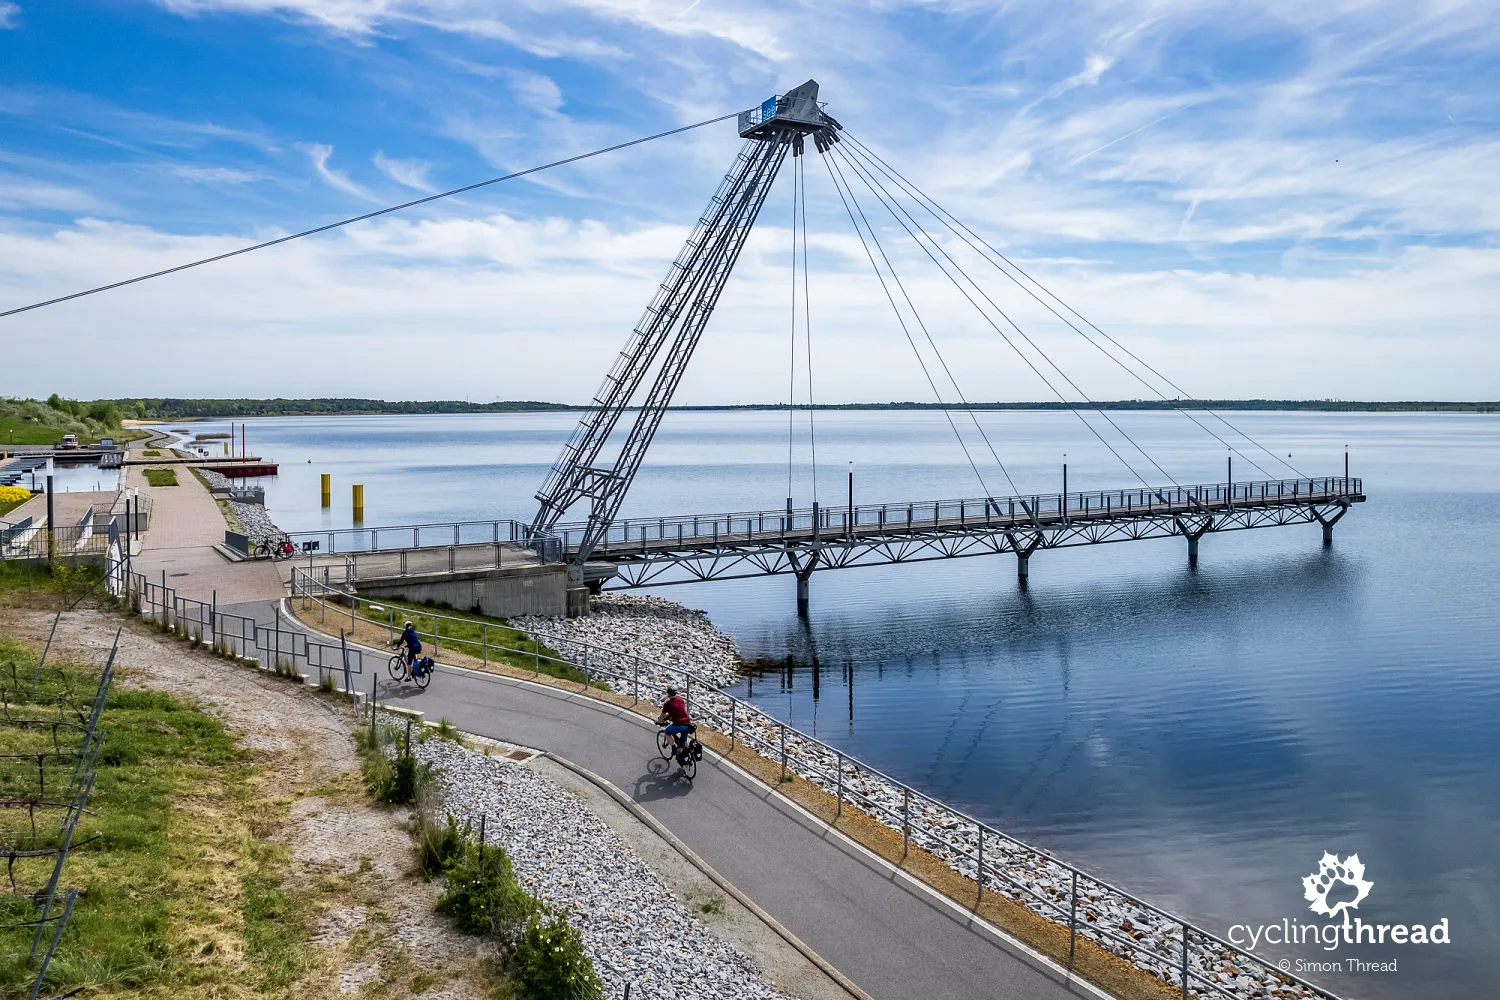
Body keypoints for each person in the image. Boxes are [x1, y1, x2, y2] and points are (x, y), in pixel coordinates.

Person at [655, 686, 694, 757]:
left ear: (668, 694)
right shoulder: (681, 700)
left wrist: (659, 721)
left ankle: (673, 748)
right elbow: (676, 711)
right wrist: (668, 717)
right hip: (688, 724)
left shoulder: (667, 704)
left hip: (679, 725)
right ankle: (688, 756)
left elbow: (662, 715)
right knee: (684, 741)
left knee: (667, 732)